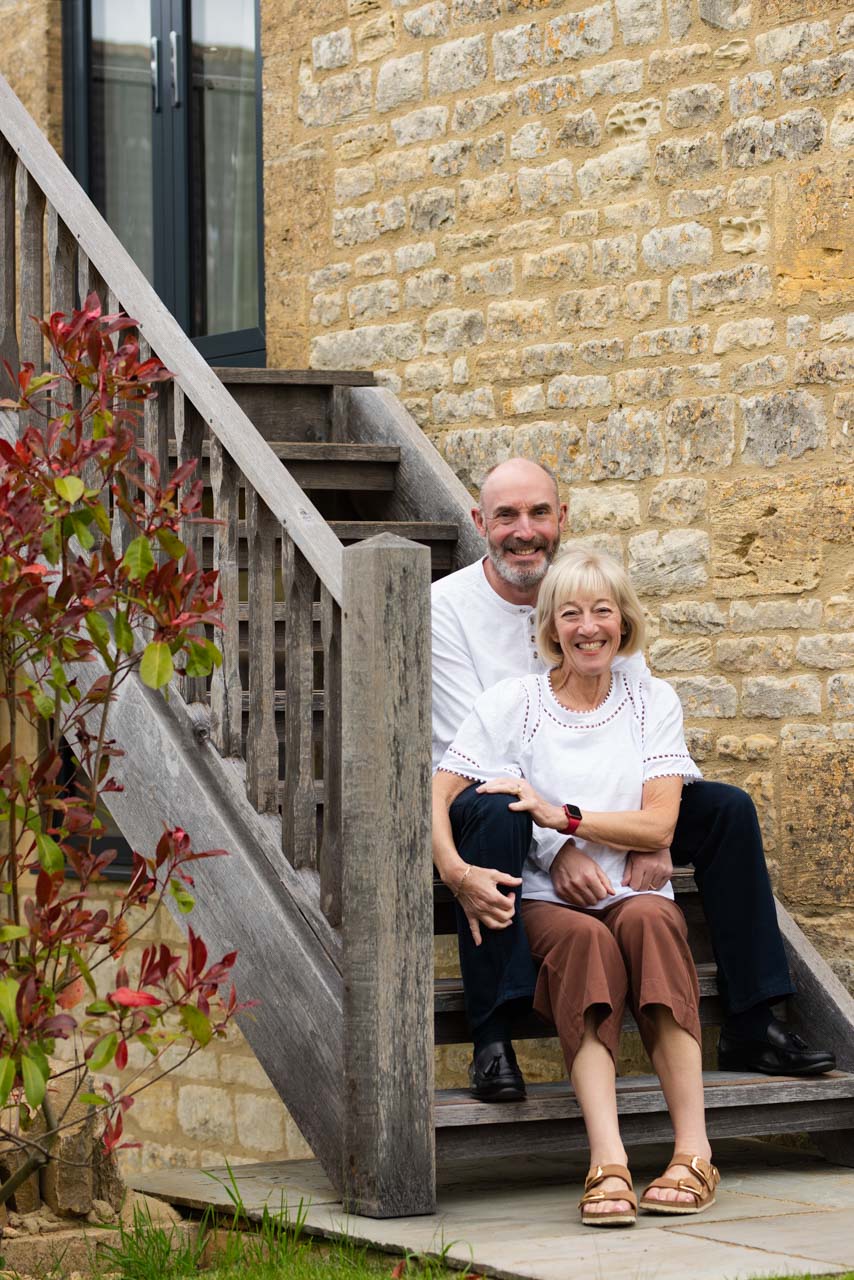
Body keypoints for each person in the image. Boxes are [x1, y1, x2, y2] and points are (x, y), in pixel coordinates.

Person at [431, 457, 834, 1103]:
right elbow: (476, 752)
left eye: (539, 512)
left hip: (595, 797)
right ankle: (491, 1036)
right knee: (499, 810)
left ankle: (754, 1018)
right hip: (499, 797)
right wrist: (561, 844)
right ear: (481, 523)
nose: (524, 530)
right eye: (506, 515)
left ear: (562, 518)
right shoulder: (446, 608)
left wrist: (655, 833)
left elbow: (644, 727)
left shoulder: (599, 606)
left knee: (727, 809)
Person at [434, 547, 720, 1226]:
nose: (589, 627)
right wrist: (454, 868)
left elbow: (658, 824)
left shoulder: (653, 700)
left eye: (602, 611)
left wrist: (561, 816)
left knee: (653, 925)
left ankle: (695, 1152)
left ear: (625, 621)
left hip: (636, 890)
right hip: (543, 897)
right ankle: (608, 1161)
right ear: (550, 628)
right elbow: (441, 789)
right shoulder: (516, 703)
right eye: (571, 614)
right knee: (587, 947)